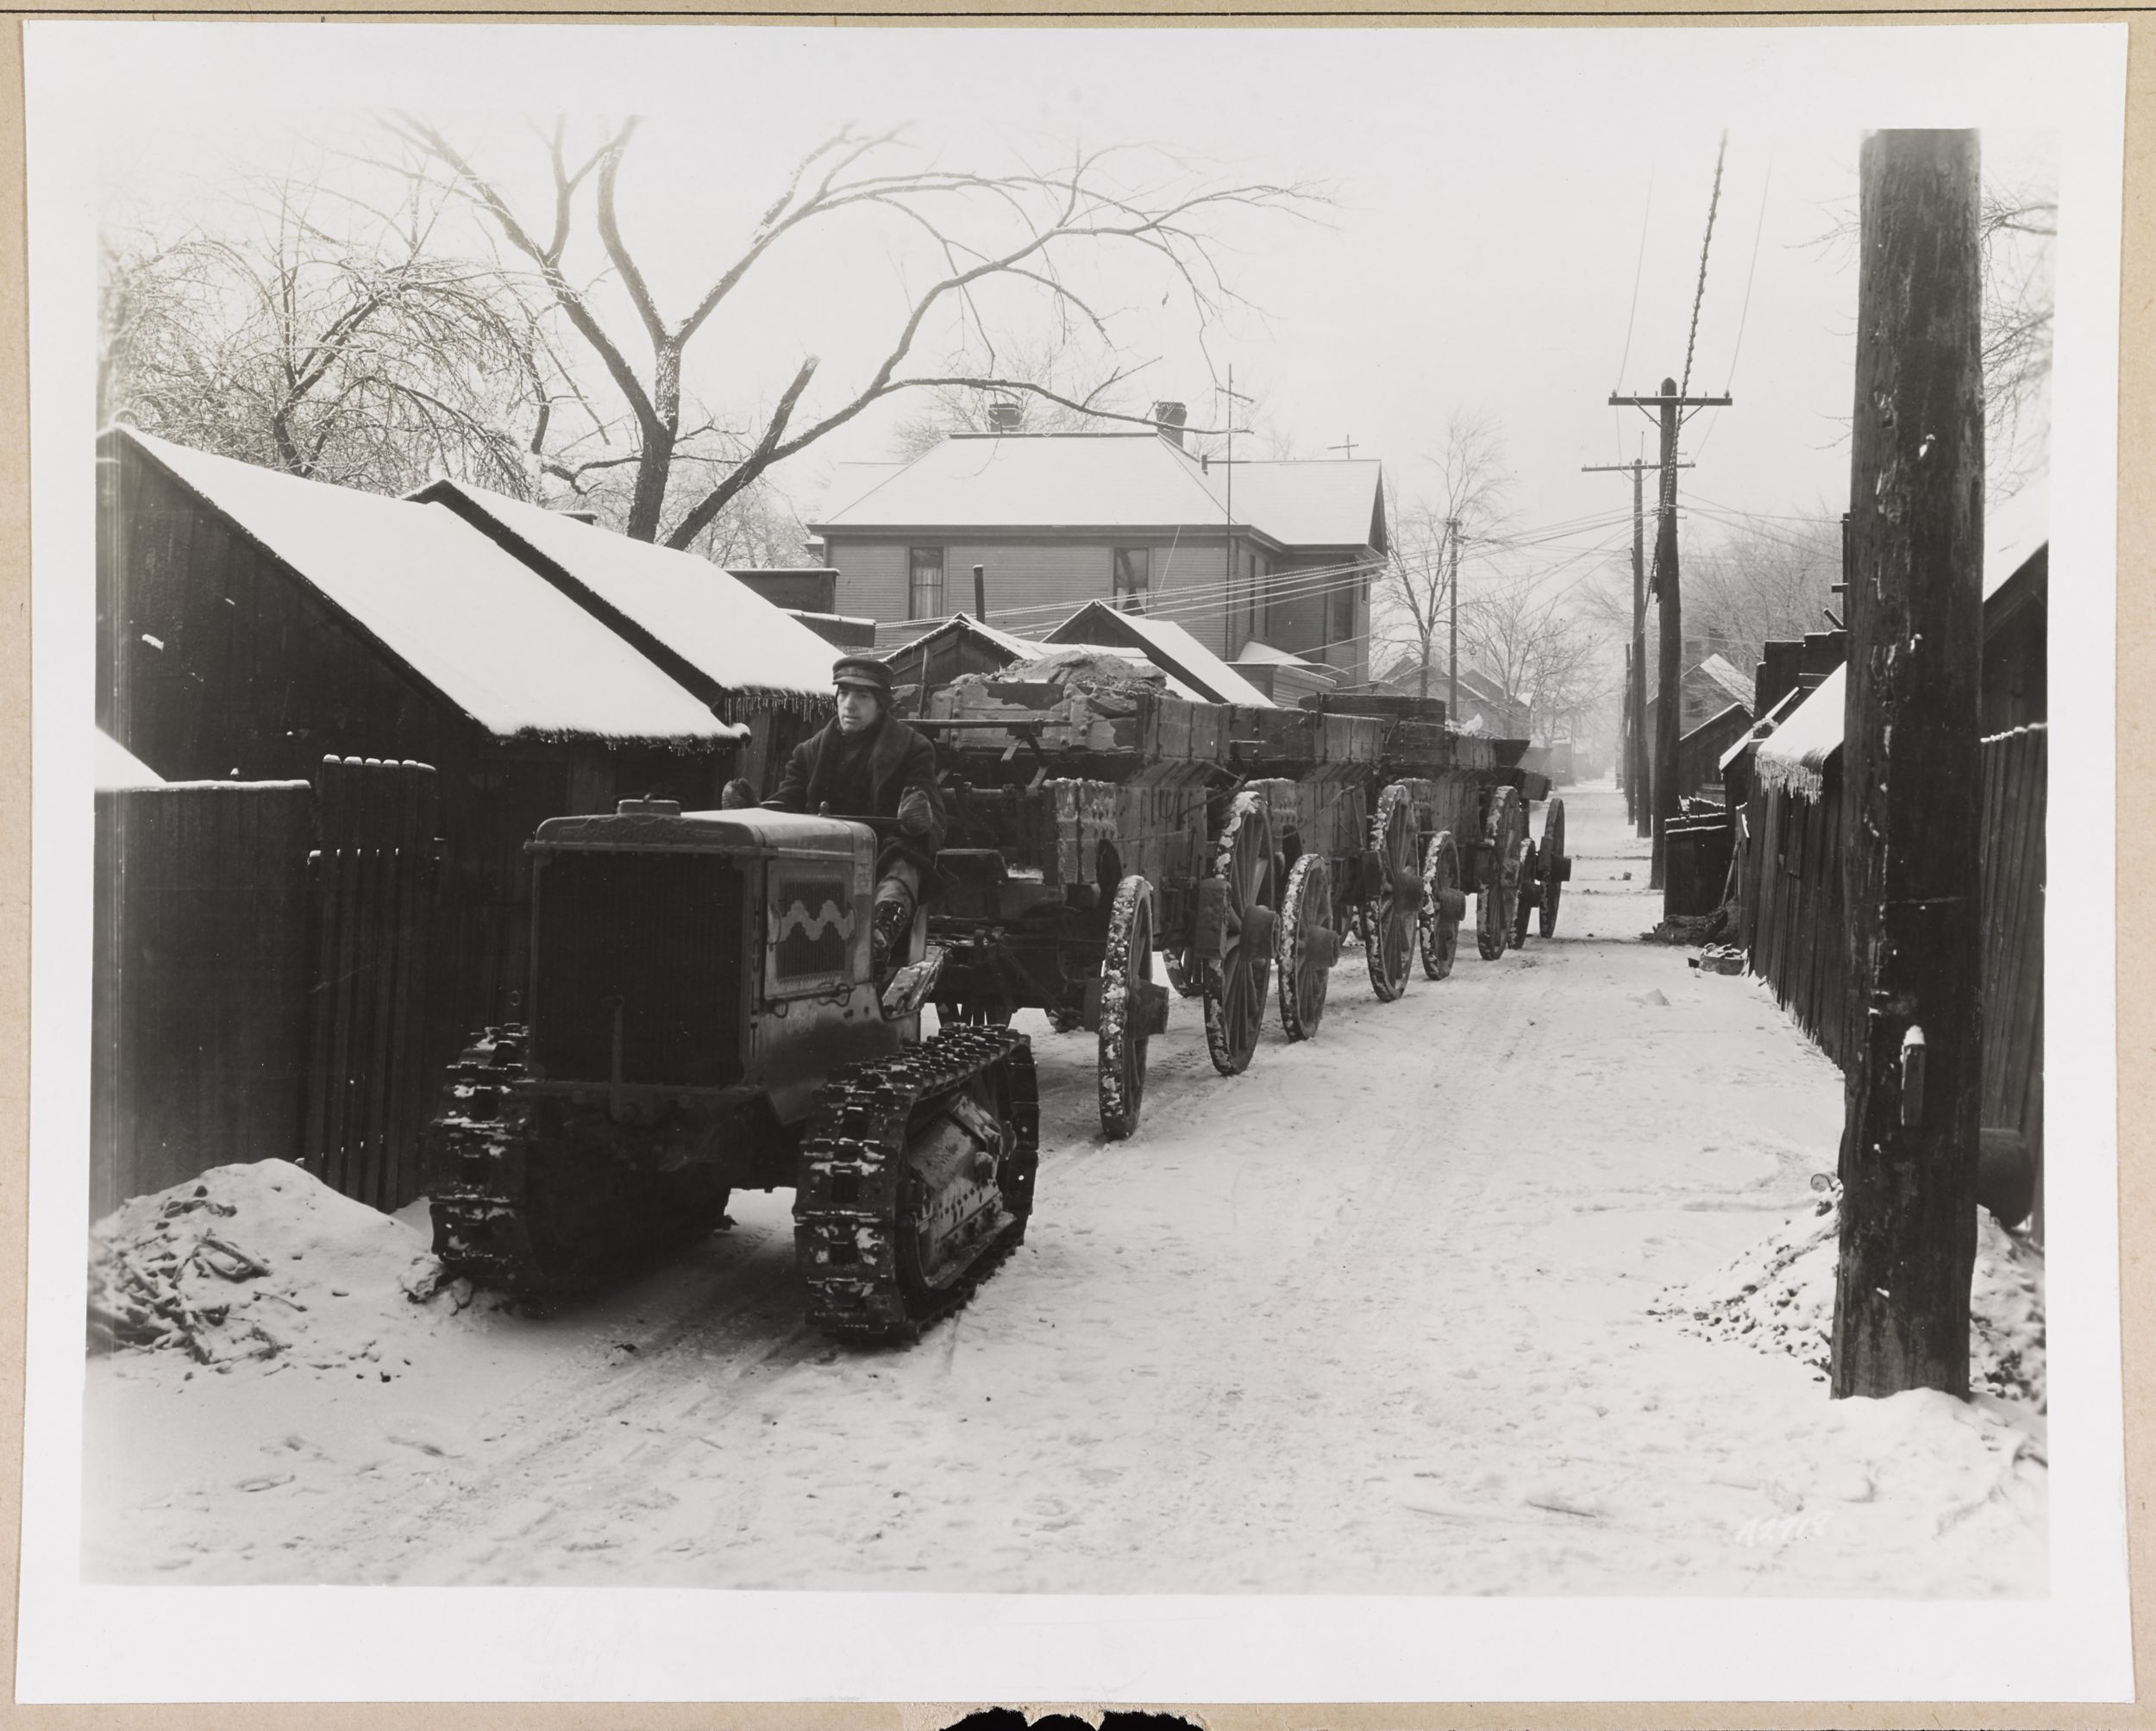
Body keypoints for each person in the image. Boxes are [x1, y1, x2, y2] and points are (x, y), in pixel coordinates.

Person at [764, 655, 946, 971]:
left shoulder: (912, 748)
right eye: (844, 693)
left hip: (883, 853)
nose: (849, 704)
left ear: (881, 705)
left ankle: (880, 934)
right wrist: (756, 811)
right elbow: (786, 802)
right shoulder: (808, 752)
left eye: (862, 696)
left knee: (907, 862)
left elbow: (931, 814)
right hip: (822, 854)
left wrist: (918, 818)